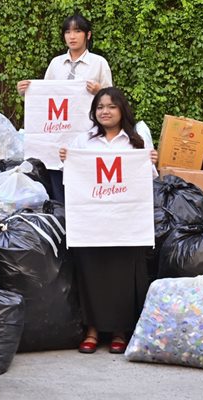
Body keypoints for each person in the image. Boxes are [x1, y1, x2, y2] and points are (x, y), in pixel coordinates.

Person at [59, 87, 157, 354]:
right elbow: (73, 179)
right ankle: (91, 330)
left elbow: (148, 179)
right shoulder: (83, 141)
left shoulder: (136, 142)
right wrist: (67, 160)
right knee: (91, 273)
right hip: (91, 223)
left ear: (122, 110)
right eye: (100, 107)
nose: (105, 111)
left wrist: (150, 160)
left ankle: (119, 331)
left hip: (126, 224)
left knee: (122, 276)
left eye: (112, 106)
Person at [17, 13, 114, 202]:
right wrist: (26, 91)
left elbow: (112, 99)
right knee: (55, 173)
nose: (72, 36)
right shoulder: (56, 64)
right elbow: (45, 97)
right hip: (57, 133)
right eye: (68, 32)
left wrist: (99, 91)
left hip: (86, 131)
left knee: (83, 175)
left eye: (77, 31)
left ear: (88, 35)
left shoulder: (99, 63)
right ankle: (60, 215)